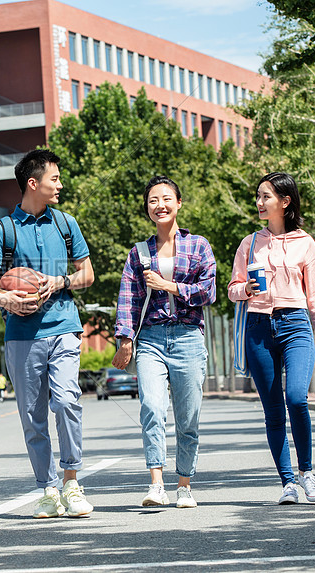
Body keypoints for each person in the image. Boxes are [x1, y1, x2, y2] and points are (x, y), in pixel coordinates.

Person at [0, 149, 95, 519]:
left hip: (64, 328)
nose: (60, 185)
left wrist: (60, 282)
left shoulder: (66, 223)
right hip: (22, 336)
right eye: (54, 179)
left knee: (66, 401)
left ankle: (72, 482)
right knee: (33, 417)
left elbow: (87, 275)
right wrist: (7, 298)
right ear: (34, 183)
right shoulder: (4, 230)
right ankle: (47, 490)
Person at [112, 175, 216, 509]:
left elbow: (208, 292)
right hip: (152, 339)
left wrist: (170, 287)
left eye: (167, 198)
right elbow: (128, 297)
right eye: (153, 200)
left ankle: (184, 484)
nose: (160, 205)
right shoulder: (139, 253)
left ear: (179, 203)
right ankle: (156, 483)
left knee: (188, 417)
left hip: (188, 337)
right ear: (147, 208)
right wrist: (125, 339)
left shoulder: (198, 246)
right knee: (152, 408)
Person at [228, 172, 315, 504]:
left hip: (295, 325)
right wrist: (245, 289)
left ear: (284, 202)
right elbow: (231, 290)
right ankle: (287, 482)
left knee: (297, 399)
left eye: (265, 197)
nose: (259, 203)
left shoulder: (305, 243)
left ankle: (307, 473)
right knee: (273, 410)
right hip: (258, 327)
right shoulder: (249, 244)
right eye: (258, 197)